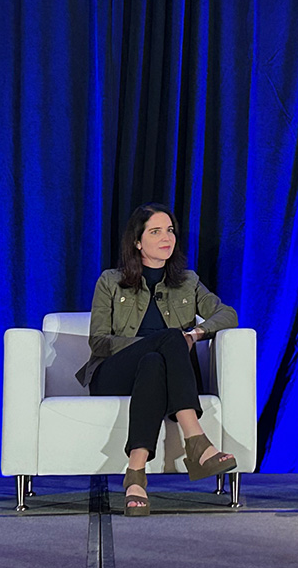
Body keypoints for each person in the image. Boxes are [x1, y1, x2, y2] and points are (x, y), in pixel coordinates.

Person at [75, 203, 239, 516]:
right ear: (137, 242)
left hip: (161, 373)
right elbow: (98, 341)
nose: (167, 238)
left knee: (154, 360)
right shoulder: (110, 281)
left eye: (170, 230)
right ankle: (197, 442)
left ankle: (135, 476)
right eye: (155, 232)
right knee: (169, 340)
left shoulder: (188, 282)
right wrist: (164, 341)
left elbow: (227, 314)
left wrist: (197, 333)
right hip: (114, 373)